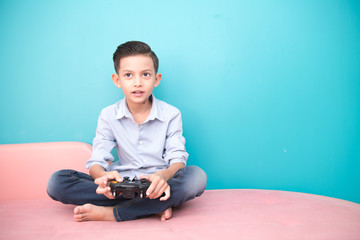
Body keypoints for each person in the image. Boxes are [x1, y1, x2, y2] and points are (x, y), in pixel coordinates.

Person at [47, 41, 207, 222]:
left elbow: (177, 159)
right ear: (117, 80)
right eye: (129, 75)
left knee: (197, 177)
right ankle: (151, 207)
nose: (138, 83)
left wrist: (162, 176)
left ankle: (114, 212)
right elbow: (97, 159)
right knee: (57, 182)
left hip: (158, 185)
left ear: (156, 79)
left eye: (145, 75)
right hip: (120, 186)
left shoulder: (171, 114)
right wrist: (103, 177)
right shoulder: (108, 115)